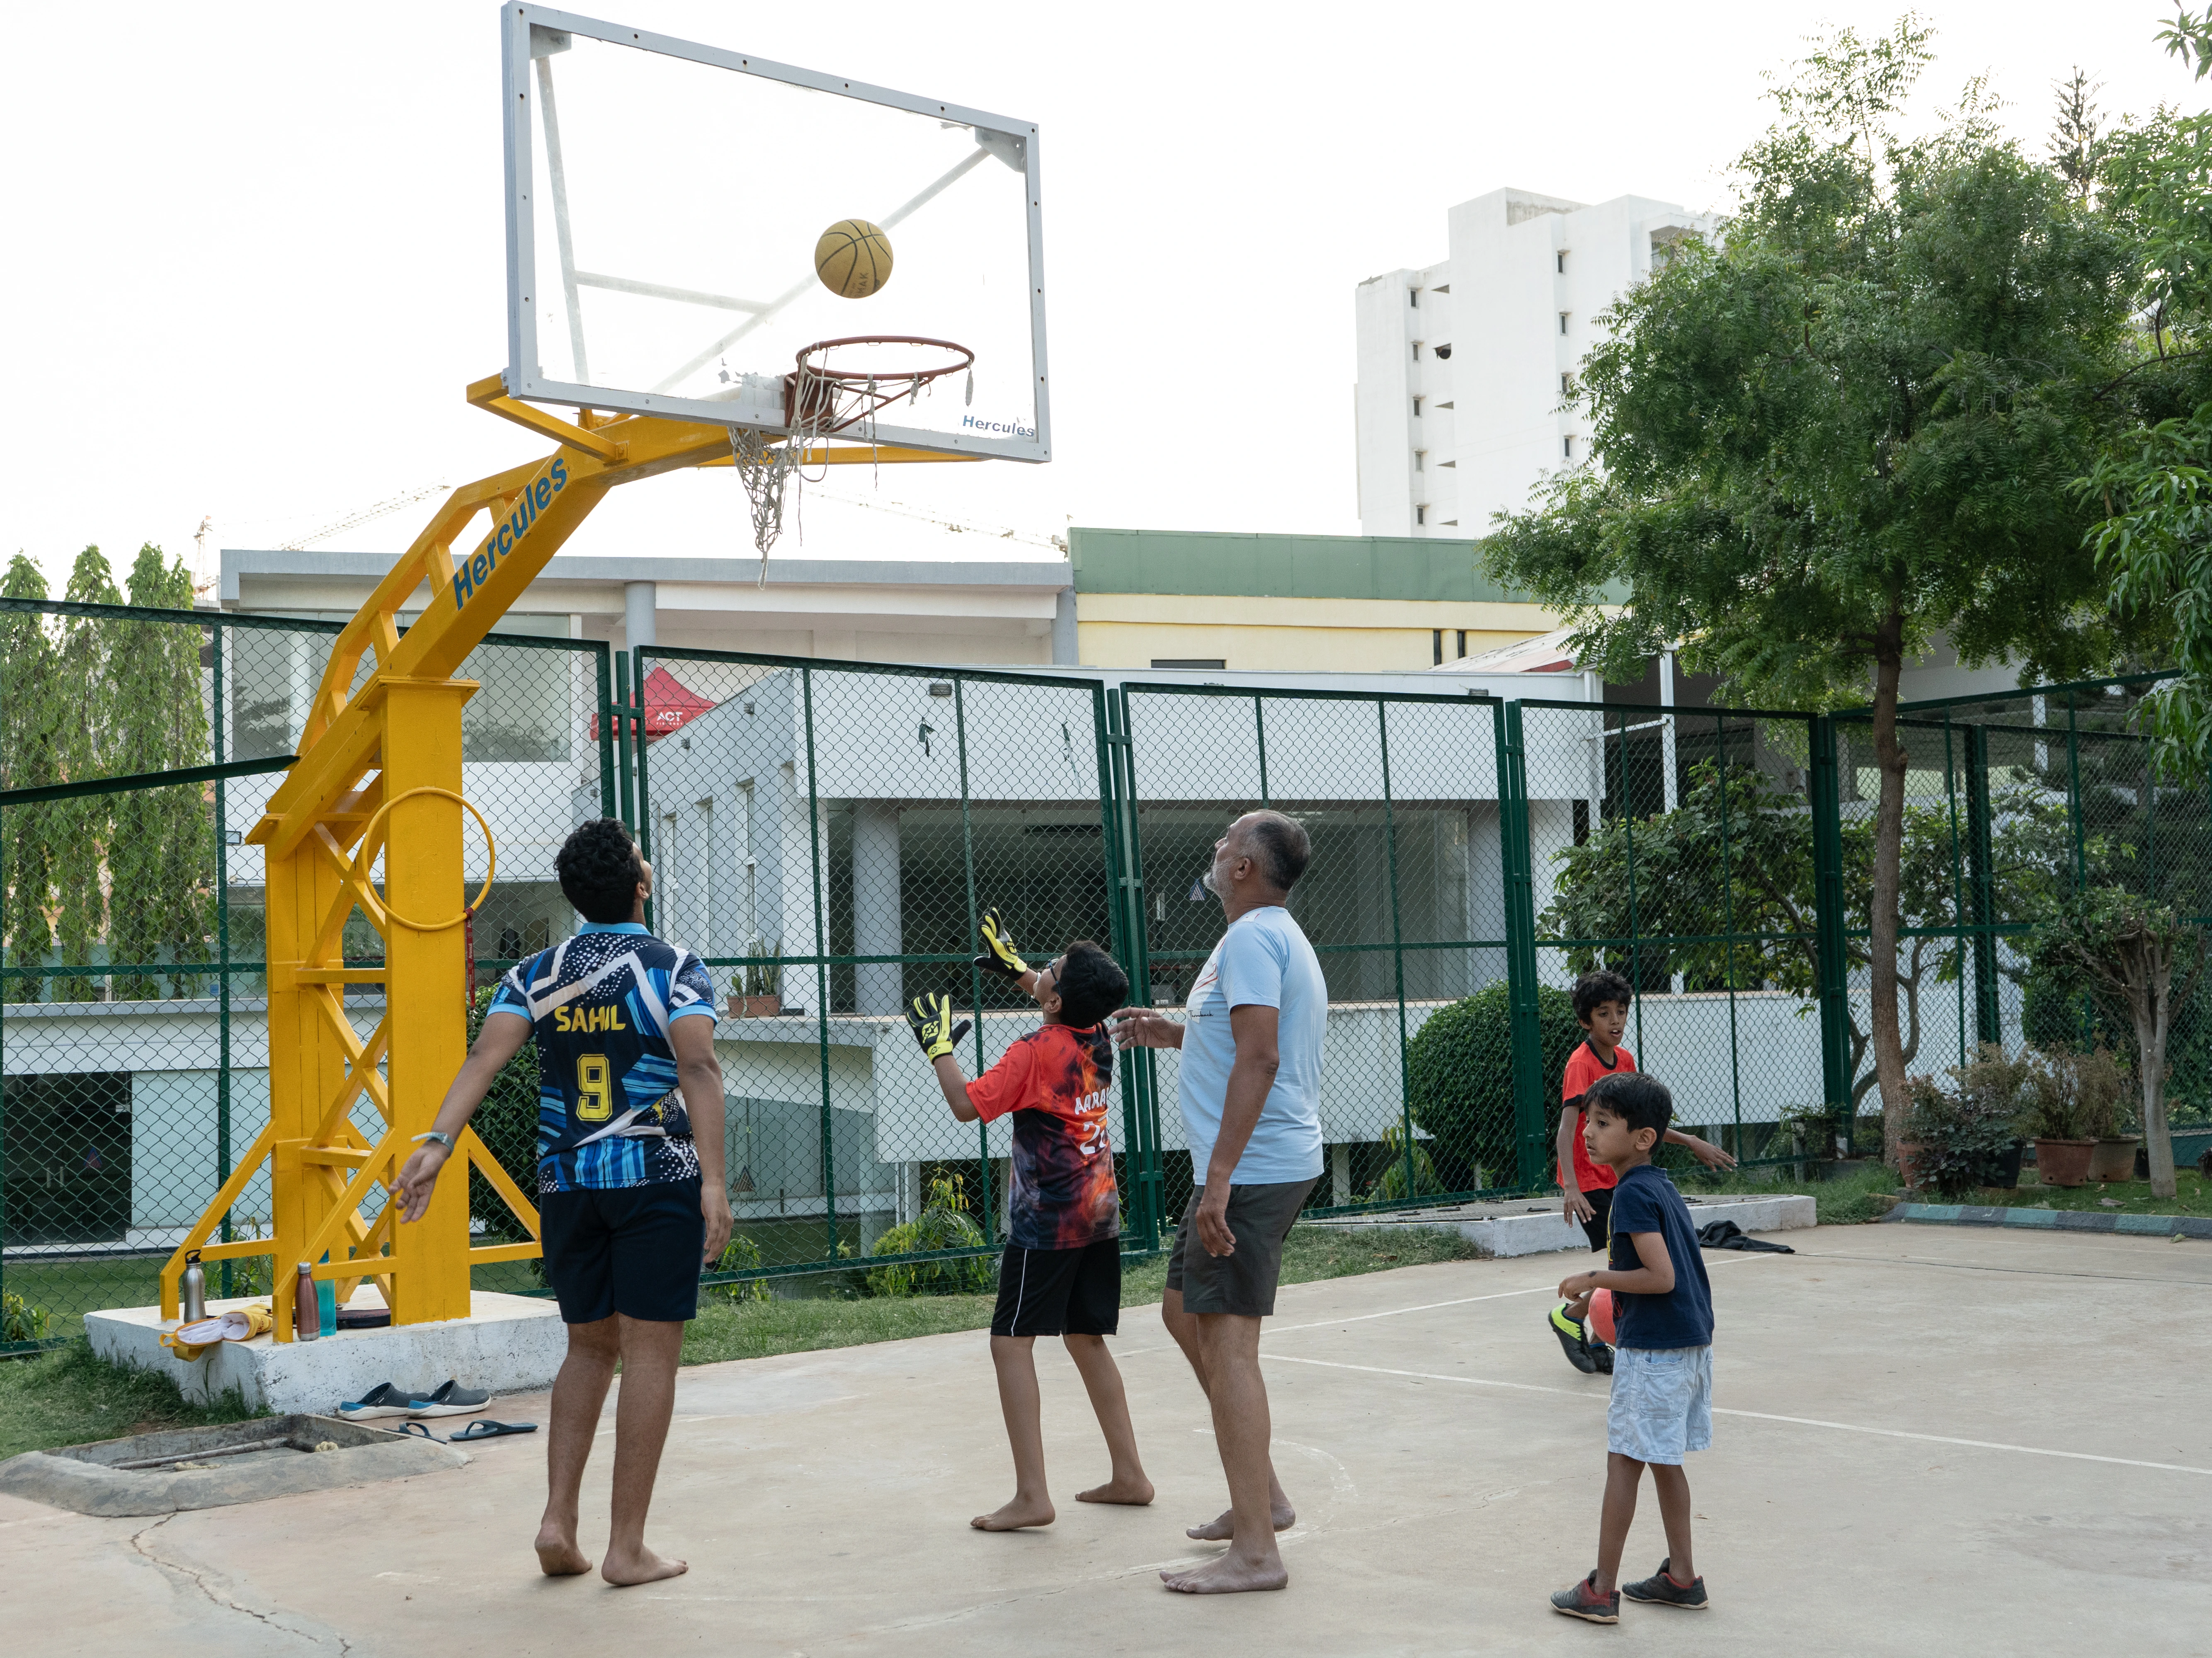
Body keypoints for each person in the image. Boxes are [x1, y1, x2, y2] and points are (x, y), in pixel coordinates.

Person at [393, 818, 730, 1587]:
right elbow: (700, 1066)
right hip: (654, 1178)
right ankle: (627, 1549)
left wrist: (437, 1143)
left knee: (587, 1347)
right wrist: (713, 1181)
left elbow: (486, 1056)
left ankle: (557, 1523)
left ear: (577, 898)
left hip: (568, 1186)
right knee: (650, 1352)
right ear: (640, 885)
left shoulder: (536, 972)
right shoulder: (673, 967)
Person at [1111, 809, 1325, 1595]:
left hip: (1252, 1169)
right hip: (1242, 1166)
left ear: (1245, 867)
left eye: (1227, 841)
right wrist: (1174, 1033)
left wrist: (1223, 1178)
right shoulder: (1259, 937)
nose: (1215, 846)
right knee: (1179, 1309)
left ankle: (1258, 1551)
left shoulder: (1252, 939)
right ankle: (1260, 1497)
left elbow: (1262, 1057)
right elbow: (1241, 1041)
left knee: (1232, 1348)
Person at [908, 915, 1153, 1531]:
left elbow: (967, 1107)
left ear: (1058, 998)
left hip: (1047, 1222)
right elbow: (1062, 1001)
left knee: (1010, 1343)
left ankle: (1032, 1496)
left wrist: (939, 1048)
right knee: (1084, 1337)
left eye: (1053, 971)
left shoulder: (1033, 1054)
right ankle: (1131, 1474)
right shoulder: (1096, 1034)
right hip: (1099, 1212)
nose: (1043, 969)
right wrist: (1022, 972)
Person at [1549, 1070, 1715, 1623]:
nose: (1588, 1134)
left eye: (1602, 1124)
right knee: (1664, 1461)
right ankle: (1682, 1578)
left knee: (1624, 1460)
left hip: (1656, 1352)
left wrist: (1595, 1275)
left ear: (1643, 1138)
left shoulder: (1632, 1196)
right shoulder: (1659, 1186)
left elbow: (1660, 1276)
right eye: (1588, 1122)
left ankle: (1600, 1590)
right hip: (1687, 1343)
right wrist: (1598, 1294)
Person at [1549, 970, 1735, 1375]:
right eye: (1603, 1014)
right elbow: (1566, 1131)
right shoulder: (1580, 1064)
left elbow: (1638, 1124)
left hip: (1615, 1177)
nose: (1614, 1021)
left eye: (1620, 1012)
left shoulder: (1625, 1060)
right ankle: (1573, 1315)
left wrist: (1690, 1141)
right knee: (1624, 1265)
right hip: (1590, 1181)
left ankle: (1592, 1330)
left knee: (1624, 1262)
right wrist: (1571, 1187)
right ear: (1585, 1020)